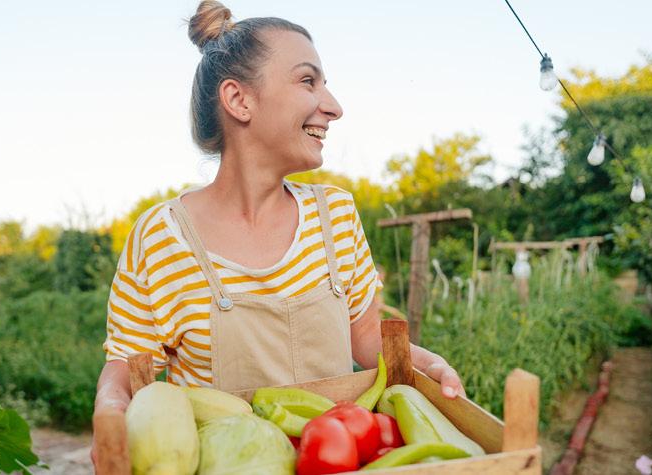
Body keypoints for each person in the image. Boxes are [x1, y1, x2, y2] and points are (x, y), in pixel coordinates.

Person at [92, 0, 466, 455]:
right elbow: (129, 370)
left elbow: (365, 334)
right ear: (239, 100)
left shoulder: (336, 216)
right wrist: (110, 408)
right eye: (308, 80)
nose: (333, 107)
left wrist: (424, 365)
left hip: (336, 458)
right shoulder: (161, 238)